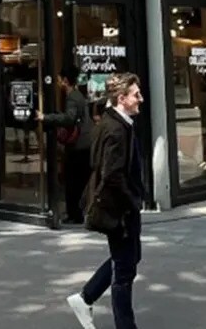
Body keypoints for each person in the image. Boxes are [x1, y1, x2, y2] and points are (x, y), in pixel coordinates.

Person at [67, 73, 145, 329]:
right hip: (119, 209)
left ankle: (85, 297)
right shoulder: (116, 129)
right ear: (121, 98)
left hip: (120, 206)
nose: (140, 99)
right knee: (124, 272)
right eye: (135, 95)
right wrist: (132, 201)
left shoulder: (113, 122)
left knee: (129, 259)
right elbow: (112, 175)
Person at [43, 66, 93, 224]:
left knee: (73, 181)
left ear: (65, 81)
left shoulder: (72, 97)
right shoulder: (79, 95)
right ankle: (81, 212)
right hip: (86, 143)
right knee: (81, 180)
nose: (57, 82)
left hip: (78, 145)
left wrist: (47, 117)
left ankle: (75, 214)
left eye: (59, 79)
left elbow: (69, 118)